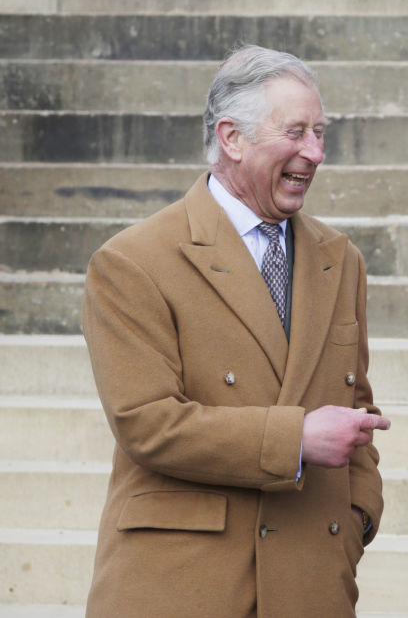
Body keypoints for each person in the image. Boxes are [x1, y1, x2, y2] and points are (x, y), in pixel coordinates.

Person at [81, 44, 390, 618]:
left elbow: (357, 408)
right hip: (185, 585)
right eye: (296, 132)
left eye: (320, 132)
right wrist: (293, 440)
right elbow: (146, 423)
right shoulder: (132, 260)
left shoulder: (341, 259)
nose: (316, 152)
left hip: (311, 582)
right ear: (232, 138)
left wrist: (357, 520)